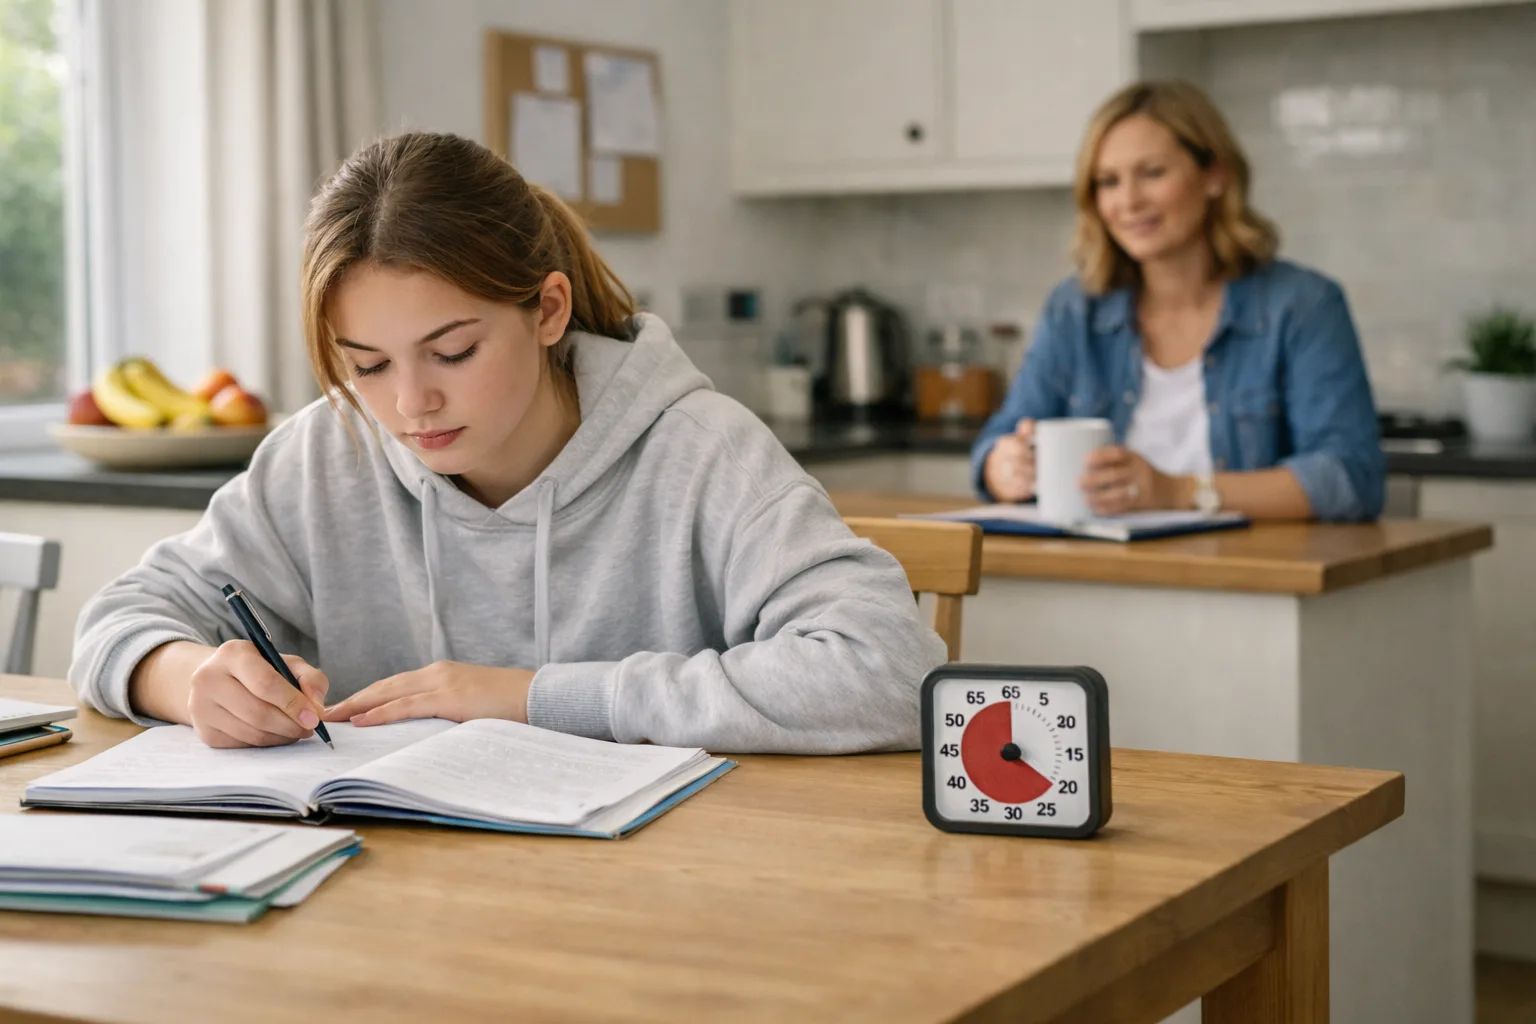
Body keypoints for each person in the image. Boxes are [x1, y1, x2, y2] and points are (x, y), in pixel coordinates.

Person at [69, 131, 946, 753]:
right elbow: (117, 620)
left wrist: (532, 697)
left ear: (548, 311)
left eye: (453, 351)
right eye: (367, 364)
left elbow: (892, 670)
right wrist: (189, 681)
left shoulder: (699, 450)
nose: (412, 404)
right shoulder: (324, 453)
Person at [972, 80, 1385, 522]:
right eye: (1108, 181)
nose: (1128, 201)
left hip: (1254, 580)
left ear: (1215, 175)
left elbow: (1349, 478)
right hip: (1094, 577)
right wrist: (1007, 466)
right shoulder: (1075, 309)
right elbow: (995, 445)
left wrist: (1176, 491)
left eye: (1152, 173)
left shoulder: (1303, 305)